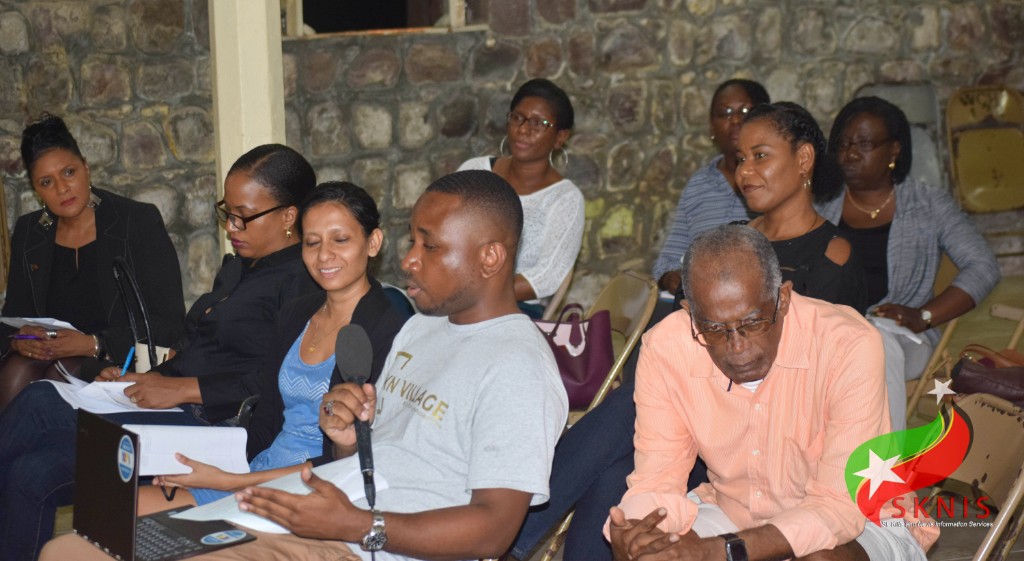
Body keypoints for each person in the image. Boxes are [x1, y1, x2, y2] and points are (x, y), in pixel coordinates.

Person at [41, 170, 570, 561]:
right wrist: (345, 437)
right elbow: (378, 454)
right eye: (413, 240)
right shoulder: (423, 329)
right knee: (70, 549)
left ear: (490, 257)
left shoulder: (516, 365)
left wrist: (357, 525)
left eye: (429, 246)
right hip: (317, 504)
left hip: (362, 544)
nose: (410, 259)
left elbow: (494, 531)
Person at [0, 144, 318, 561]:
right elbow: (201, 348)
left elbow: (275, 381)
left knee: (42, 401)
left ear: (289, 216)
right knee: (31, 474)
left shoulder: (301, 283)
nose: (231, 226)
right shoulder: (241, 267)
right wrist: (146, 378)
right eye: (227, 212)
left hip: (215, 424)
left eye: (244, 215)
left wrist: (182, 389)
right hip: (175, 406)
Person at [607, 224, 937, 561]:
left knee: (821, 559)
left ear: (784, 299)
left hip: (865, 521)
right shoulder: (666, 346)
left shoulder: (848, 344)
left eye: (753, 323)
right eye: (715, 329)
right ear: (691, 315)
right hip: (735, 511)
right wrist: (636, 532)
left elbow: (839, 506)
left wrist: (721, 550)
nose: (737, 347)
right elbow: (658, 477)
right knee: (656, 553)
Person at [124, 182, 407, 513]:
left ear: (373, 243)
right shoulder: (297, 313)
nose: (324, 255)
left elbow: (355, 458)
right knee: (126, 508)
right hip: (261, 470)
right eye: (312, 242)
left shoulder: (389, 331)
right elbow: (266, 418)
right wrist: (227, 468)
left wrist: (229, 481)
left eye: (340, 240)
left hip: (318, 490)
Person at [819, 96, 1000, 429]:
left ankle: (883, 457)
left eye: (864, 144)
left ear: (894, 150)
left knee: (873, 342)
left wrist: (924, 315)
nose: (850, 154)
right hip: (830, 333)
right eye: (843, 144)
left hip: (902, 337)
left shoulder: (928, 204)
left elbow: (983, 266)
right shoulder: (820, 205)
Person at [0, 114, 185, 411]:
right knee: (17, 370)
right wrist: (19, 340)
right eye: (47, 182)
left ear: (85, 167)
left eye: (69, 172)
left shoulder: (136, 220)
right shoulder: (30, 231)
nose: (62, 188)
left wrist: (93, 343)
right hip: (47, 360)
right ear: (36, 190)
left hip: (116, 361)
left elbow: (170, 323)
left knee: (55, 376)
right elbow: (13, 318)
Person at [457, 78, 584, 317]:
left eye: (538, 123)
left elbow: (546, 278)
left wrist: (476, 292)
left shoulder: (565, 199)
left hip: (515, 307)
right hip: (453, 294)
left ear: (560, 137)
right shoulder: (474, 172)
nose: (523, 129)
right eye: (517, 118)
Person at [735, 101, 866, 313]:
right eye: (741, 159)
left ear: (804, 159)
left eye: (760, 156)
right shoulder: (730, 241)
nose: (744, 171)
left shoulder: (831, 254)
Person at [652, 79, 769, 296]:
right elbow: (667, 260)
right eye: (725, 113)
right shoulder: (699, 184)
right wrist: (672, 277)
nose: (735, 120)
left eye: (745, 111)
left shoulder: (775, 178)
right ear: (711, 127)